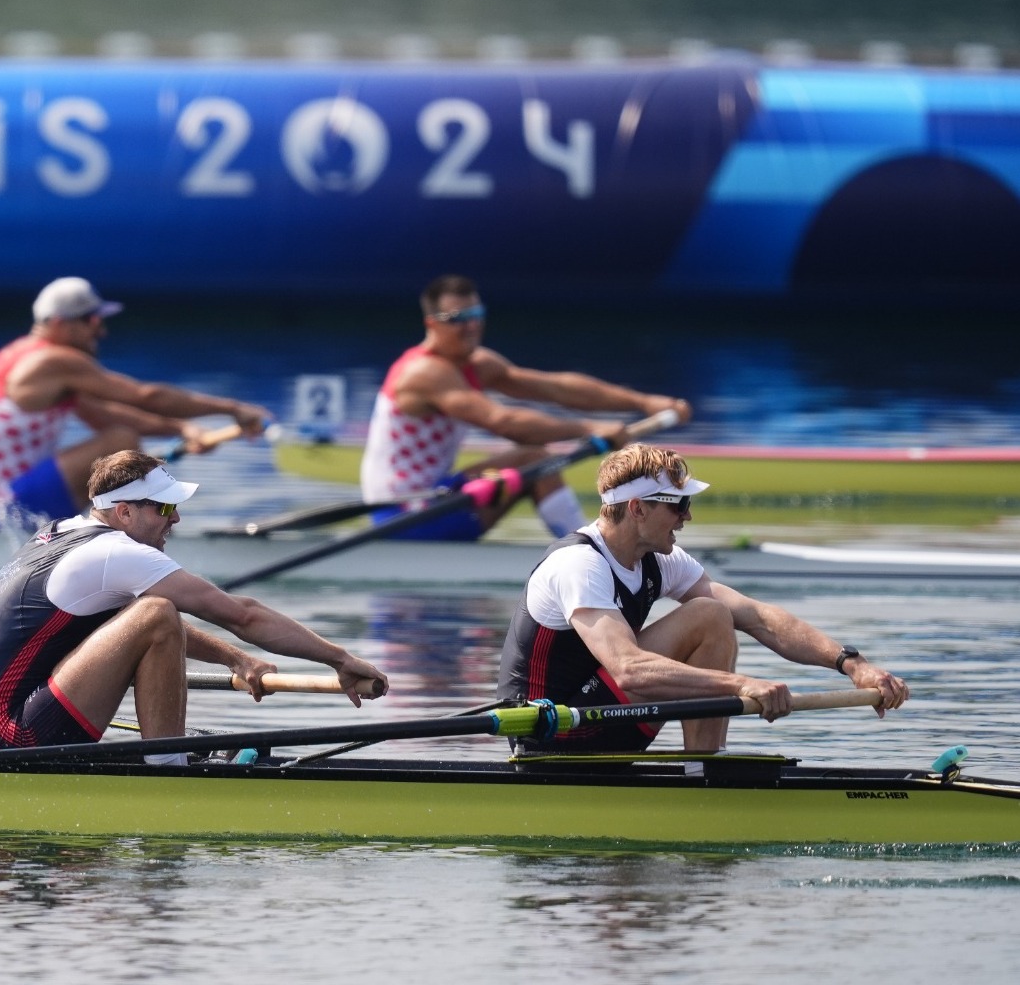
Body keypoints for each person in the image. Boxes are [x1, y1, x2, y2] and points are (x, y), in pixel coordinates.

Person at [0, 450, 389, 763]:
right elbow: (242, 614)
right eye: (165, 507)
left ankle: (164, 760)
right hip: (13, 735)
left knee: (151, 614)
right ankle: (168, 769)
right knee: (157, 611)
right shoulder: (115, 554)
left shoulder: (59, 533)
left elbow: (120, 629)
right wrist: (341, 658)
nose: (175, 519)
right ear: (123, 512)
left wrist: (235, 659)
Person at [495, 444, 910, 753]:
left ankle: (704, 767)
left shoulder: (664, 560)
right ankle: (705, 778)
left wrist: (853, 664)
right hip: (553, 734)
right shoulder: (578, 565)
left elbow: (758, 617)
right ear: (637, 508)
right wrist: (742, 685)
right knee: (707, 616)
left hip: (607, 719)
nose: (687, 517)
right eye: (679, 505)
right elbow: (629, 670)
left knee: (712, 614)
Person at [359, 274, 692, 541]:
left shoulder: (476, 364)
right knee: (536, 458)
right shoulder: (424, 372)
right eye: (457, 318)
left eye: (476, 315)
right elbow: (504, 422)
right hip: (403, 515)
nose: (471, 326)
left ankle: (590, 548)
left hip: (435, 495)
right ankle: (595, 553)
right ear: (432, 323)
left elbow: (557, 388)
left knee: (531, 457)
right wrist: (588, 428)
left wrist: (644, 402)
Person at [0, 277, 271, 530]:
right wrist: (233, 409)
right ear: (61, 324)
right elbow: (146, 397)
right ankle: (137, 530)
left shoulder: (25, 357)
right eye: (92, 320)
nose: (100, 330)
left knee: (120, 439)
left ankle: (122, 526)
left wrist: (184, 430)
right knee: (122, 444)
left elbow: (106, 417)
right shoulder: (51, 362)